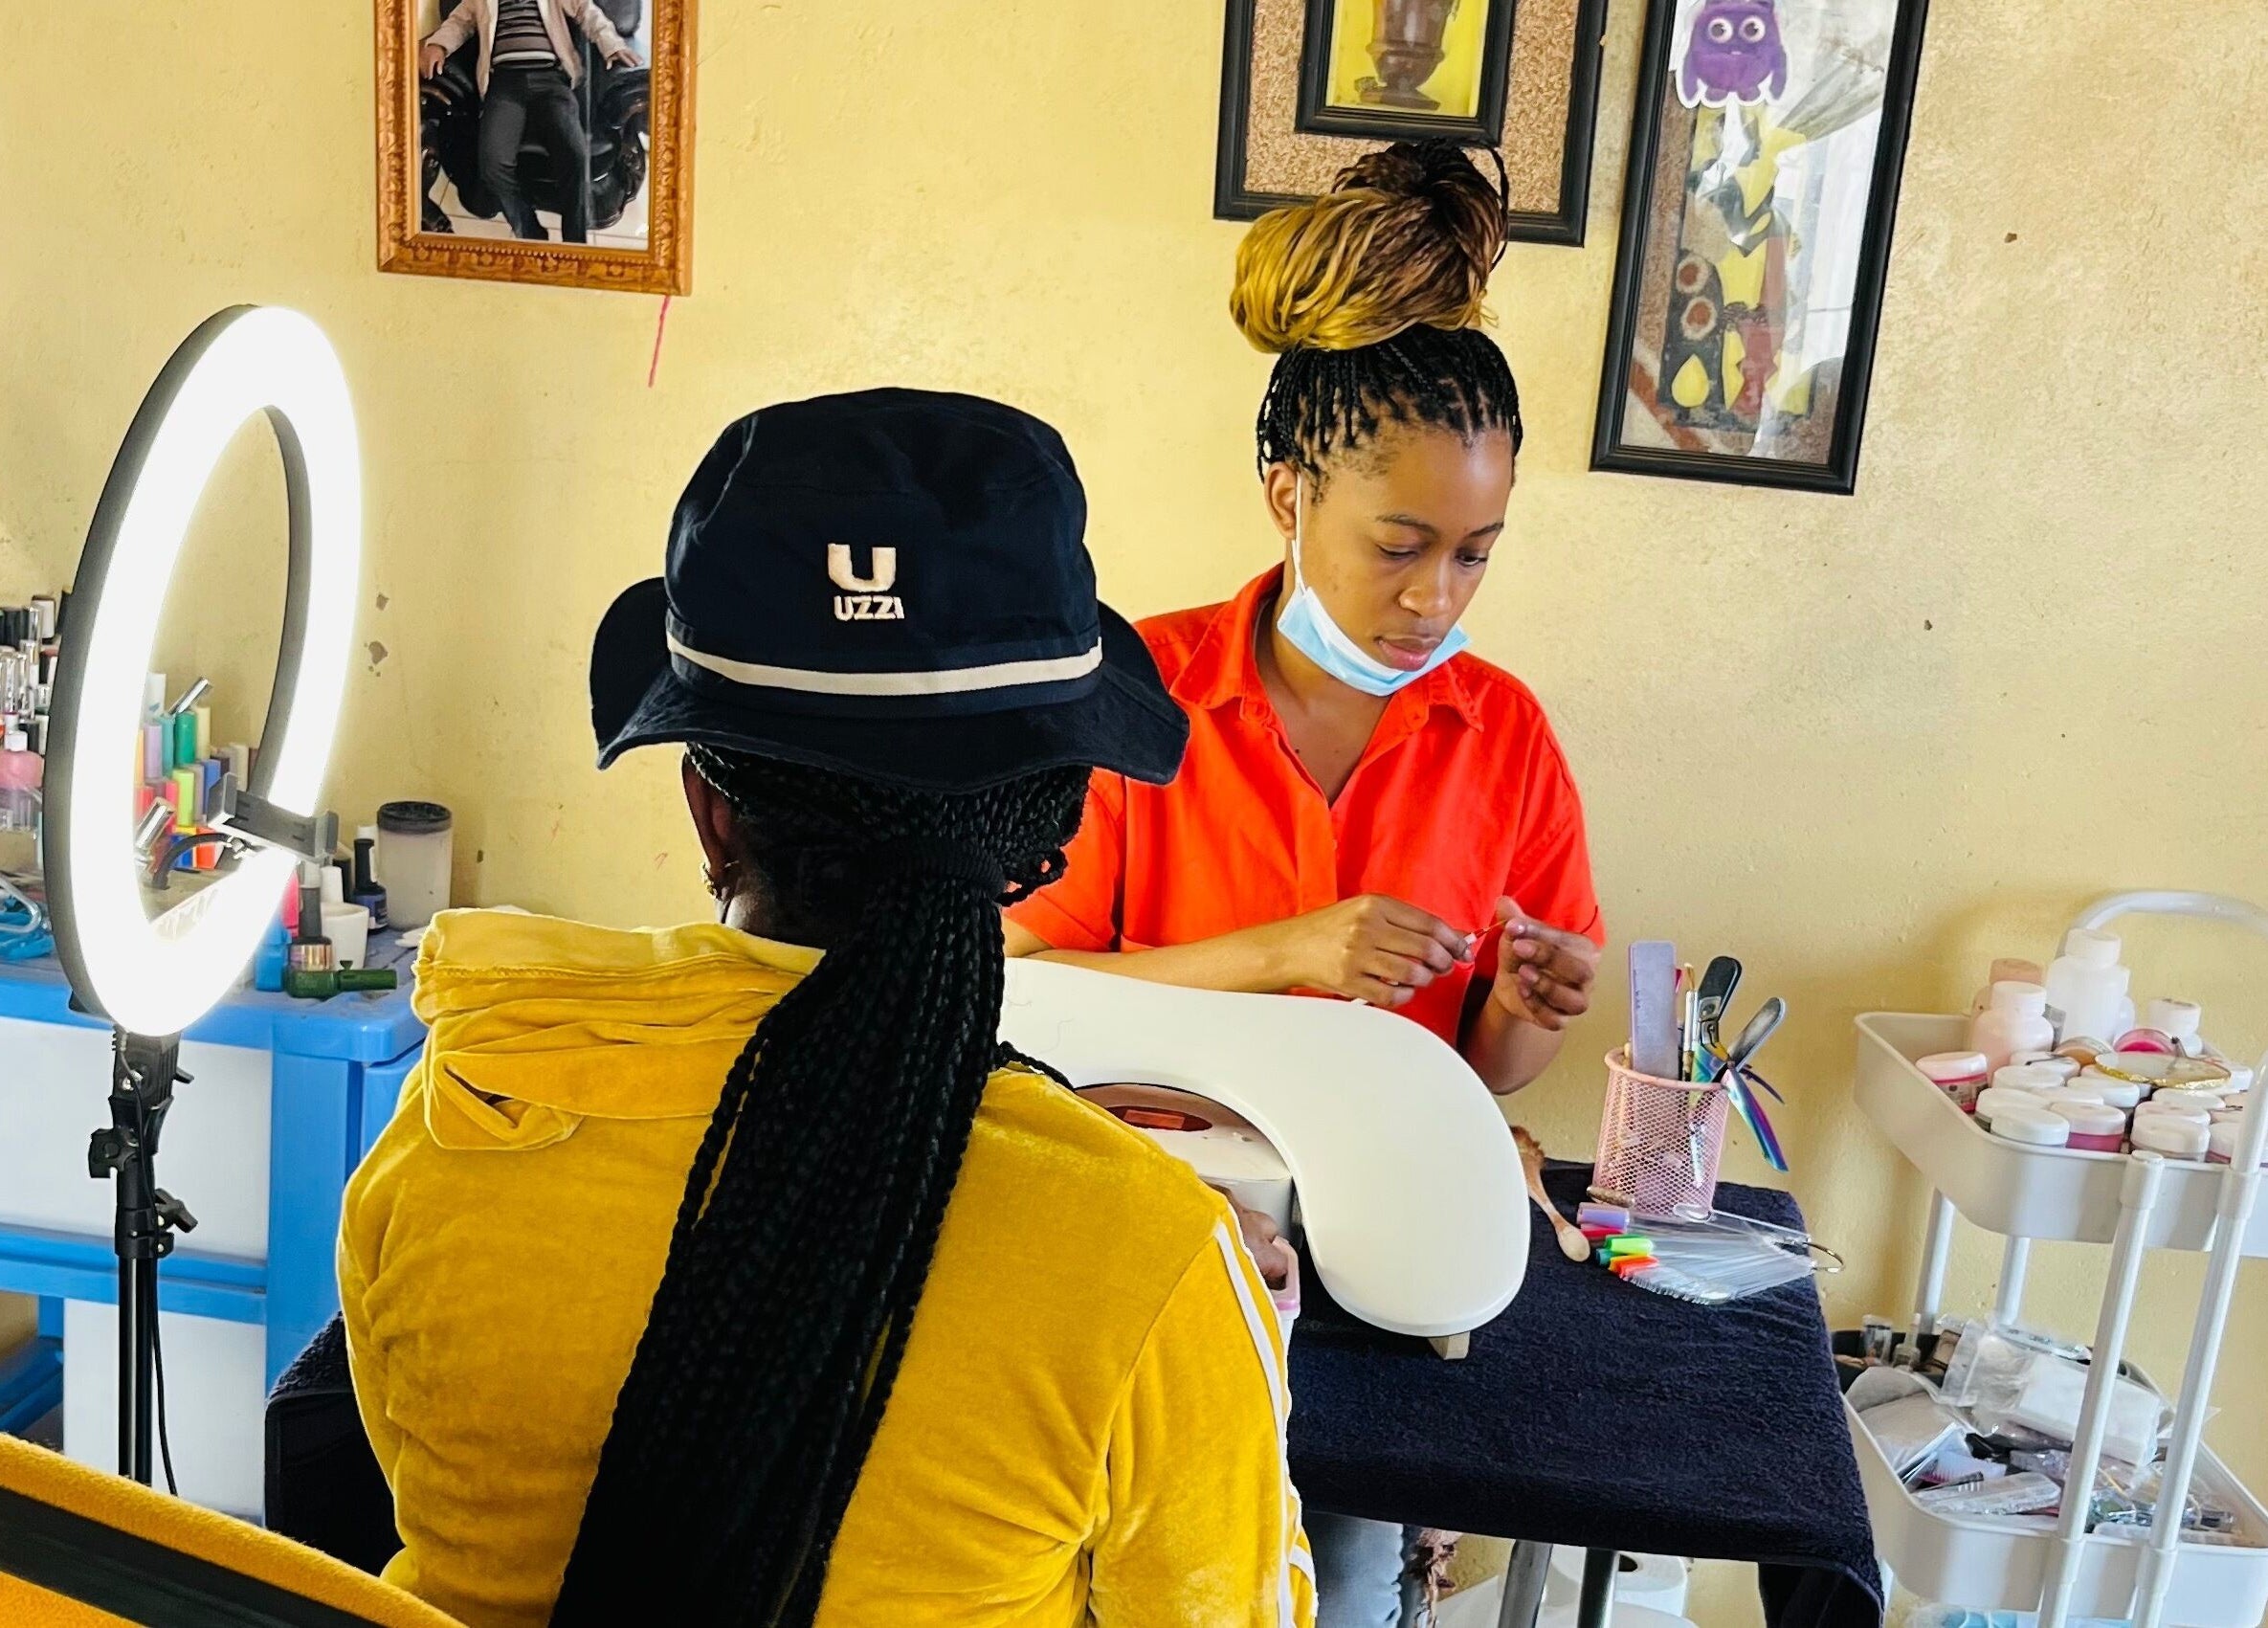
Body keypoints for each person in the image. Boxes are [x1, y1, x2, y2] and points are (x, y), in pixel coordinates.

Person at [339, 391, 1317, 1627]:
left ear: (710, 808)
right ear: (1053, 824)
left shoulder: (455, 1129)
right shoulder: (1152, 1263)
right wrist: (1245, 1361)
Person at [1004, 140, 1606, 1627]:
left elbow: (1483, 1070)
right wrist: (1281, 955)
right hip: (1130, 1261)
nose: (1433, 600)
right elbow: (1019, 992)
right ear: (1284, 488)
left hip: (1379, 1291)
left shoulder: (1503, 733)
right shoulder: (1132, 695)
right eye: (1397, 546)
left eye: (1475, 554)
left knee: (1331, 1587)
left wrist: (1527, 1016)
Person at [419, 0, 641, 243]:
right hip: (504, 85)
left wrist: (612, 45)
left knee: (575, 155)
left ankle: (575, 242)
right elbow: (459, 22)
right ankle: (530, 232)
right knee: (492, 164)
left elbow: (586, 11)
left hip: (552, 80)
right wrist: (438, 45)